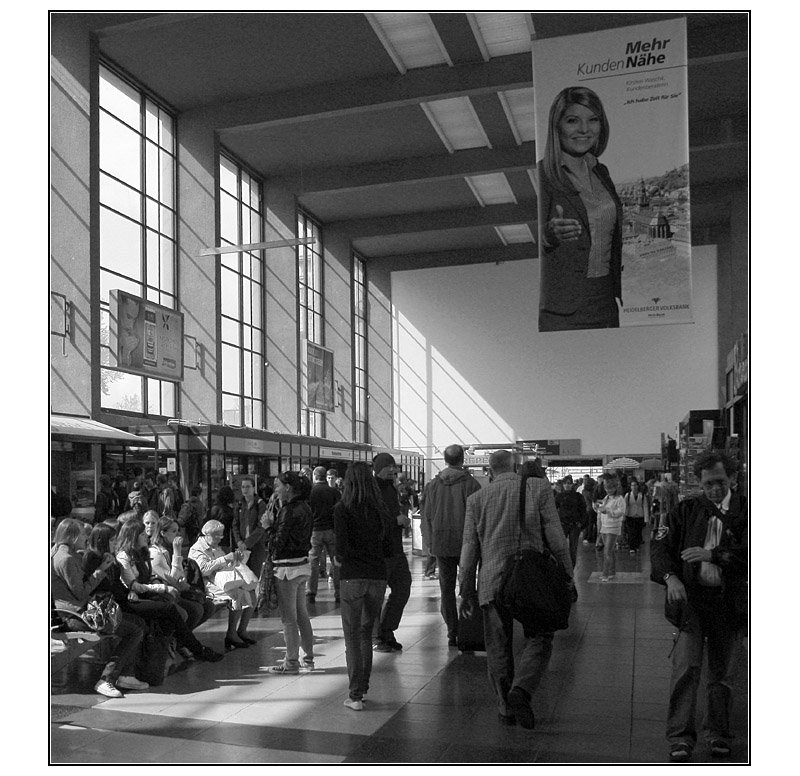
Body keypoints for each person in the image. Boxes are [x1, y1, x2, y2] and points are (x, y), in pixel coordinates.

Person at [458, 450, 573, 729]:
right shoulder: (538, 487)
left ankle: (505, 708)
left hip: (492, 581)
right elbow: (556, 537)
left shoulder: (476, 500)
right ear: (515, 466)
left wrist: (465, 590)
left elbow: (469, 549)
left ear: (490, 469)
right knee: (541, 636)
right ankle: (521, 689)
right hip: (530, 578)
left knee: (497, 646)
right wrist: (568, 573)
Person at [650, 451, 747, 763]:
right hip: (692, 605)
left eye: (719, 482)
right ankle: (680, 738)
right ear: (699, 483)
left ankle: (719, 733)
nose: (714, 489)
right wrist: (670, 577)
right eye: (708, 484)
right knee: (686, 671)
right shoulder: (687, 509)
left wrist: (714, 556)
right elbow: (661, 548)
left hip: (729, 606)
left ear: (732, 477)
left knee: (723, 674)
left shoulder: (748, 511)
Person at [537, 86, 622, 332]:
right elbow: (535, 235)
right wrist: (549, 234)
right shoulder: (542, 174)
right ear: (557, 126)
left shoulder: (601, 172)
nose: (584, 129)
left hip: (606, 300)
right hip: (563, 308)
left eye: (593, 120)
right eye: (573, 120)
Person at [51, 518, 149, 698]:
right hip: (74, 616)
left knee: (135, 624)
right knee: (134, 629)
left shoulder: (58, 553)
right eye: (83, 535)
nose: (87, 539)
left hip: (72, 612)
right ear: (72, 537)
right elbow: (80, 593)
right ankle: (107, 679)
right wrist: (100, 570)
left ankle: (125, 674)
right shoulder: (66, 559)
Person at [115, 519, 223, 662]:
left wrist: (157, 582)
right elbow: (134, 585)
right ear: (133, 537)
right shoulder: (124, 556)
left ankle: (181, 646)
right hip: (136, 598)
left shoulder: (143, 552)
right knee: (174, 611)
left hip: (150, 592)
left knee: (194, 609)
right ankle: (194, 648)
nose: (146, 536)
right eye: (142, 534)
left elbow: (150, 577)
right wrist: (163, 587)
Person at [333, 462, 393, 711]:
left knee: (352, 636)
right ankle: (362, 690)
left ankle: (355, 695)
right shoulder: (381, 509)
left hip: (352, 577)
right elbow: (389, 548)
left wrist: (339, 559)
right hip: (377, 576)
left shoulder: (342, 509)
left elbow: (342, 549)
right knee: (366, 634)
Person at [418, 444, 481, 647]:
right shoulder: (472, 485)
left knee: (446, 589)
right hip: (466, 544)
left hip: (441, 544)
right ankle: (468, 627)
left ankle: (452, 630)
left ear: (445, 460)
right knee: (467, 587)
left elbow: (426, 516)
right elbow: (478, 517)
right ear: (463, 460)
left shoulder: (433, 486)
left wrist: (429, 543)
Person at [268, 471, 314, 674]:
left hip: (286, 569)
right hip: (302, 566)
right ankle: (309, 658)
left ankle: (291, 662)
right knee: (302, 614)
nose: (276, 490)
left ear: (288, 487)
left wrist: (268, 527)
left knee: (288, 618)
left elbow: (278, 543)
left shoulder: (287, 510)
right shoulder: (306, 507)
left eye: (278, 486)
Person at [189, 519, 256, 650]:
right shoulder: (197, 549)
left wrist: (235, 561)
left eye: (221, 535)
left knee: (252, 592)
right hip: (206, 584)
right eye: (217, 535)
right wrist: (224, 559)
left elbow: (223, 566)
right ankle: (231, 634)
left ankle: (241, 630)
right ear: (206, 534)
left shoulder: (216, 547)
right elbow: (203, 569)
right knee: (237, 594)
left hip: (220, 581)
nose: (220, 538)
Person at [371, 453, 412, 653]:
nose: (393, 470)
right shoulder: (372, 489)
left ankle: (387, 629)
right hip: (381, 551)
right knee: (377, 595)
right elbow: (372, 519)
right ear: (379, 467)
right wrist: (395, 521)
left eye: (394, 467)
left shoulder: (390, 488)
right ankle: (376, 636)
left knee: (403, 587)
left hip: (395, 548)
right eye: (389, 467)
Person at [150, 515, 214, 633]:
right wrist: (177, 551)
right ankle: (181, 641)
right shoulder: (156, 553)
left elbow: (179, 574)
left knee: (208, 606)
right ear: (163, 533)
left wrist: (183, 579)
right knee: (195, 610)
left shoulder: (168, 550)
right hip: (164, 594)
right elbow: (172, 578)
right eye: (174, 531)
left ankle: (185, 638)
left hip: (177, 590)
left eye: (178, 530)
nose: (178, 534)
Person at [305, 466, 341, 605]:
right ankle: (338, 593)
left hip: (314, 530)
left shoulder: (310, 492)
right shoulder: (334, 492)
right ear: (325, 477)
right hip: (331, 530)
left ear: (314, 476)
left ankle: (310, 593)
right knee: (335, 561)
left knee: (313, 562)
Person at [232, 476, 268, 579]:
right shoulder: (239, 504)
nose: (245, 489)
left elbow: (261, 527)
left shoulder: (260, 504)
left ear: (253, 488)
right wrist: (239, 542)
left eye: (248, 487)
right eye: (243, 487)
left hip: (256, 546)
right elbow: (235, 524)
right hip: (241, 546)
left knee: (254, 577)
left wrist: (247, 543)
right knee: (242, 576)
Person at [595, 473, 625, 581]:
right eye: (607, 488)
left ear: (615, 487)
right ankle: (612, 572)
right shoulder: (606, 498)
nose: (608, 490)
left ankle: (605, 574)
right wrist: (598, 508)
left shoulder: (620, 499)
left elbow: (621, 512)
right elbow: (603, 510)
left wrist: (607, 511)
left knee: (607, 551)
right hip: (605, 526)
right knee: (610, 551)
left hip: (613, 527)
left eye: (610, 488)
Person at [555, 475, 585, 568]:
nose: (567, 485)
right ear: (563, 485)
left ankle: (571, 568)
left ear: (572, 484)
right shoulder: (559, 496)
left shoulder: (578, 496)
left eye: (569, 483)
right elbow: (554, 509)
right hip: (563, 524)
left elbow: (583, 510)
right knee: (561, 547)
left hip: (574, 524)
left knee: (573, 548)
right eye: (565, 483)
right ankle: (563, 567)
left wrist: (581, 523)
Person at [624, 479, 649, 554]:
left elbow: (645, 507)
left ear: (638, 486)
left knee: (638, 532)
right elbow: (625, 506)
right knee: (631, 532)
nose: (634, 487)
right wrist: (624, 516)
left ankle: (637, 546)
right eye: (632, 485)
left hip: (639, 516)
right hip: (630, 516)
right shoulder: (627, 495)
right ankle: (632, 547)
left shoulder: (642, 496)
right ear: (630, 487)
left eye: (635, 485)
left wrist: (646, 519)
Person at [210, 485, 236, 552]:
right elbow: (233, 530)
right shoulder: (230, 511)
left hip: (211, 541)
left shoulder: (213, 509)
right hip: (224, 542)